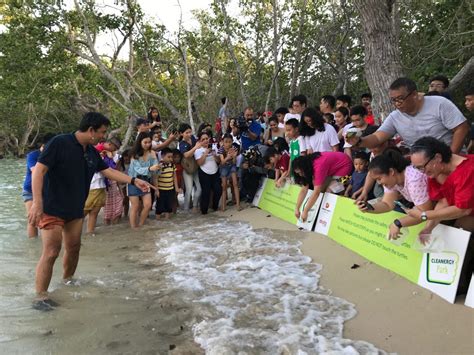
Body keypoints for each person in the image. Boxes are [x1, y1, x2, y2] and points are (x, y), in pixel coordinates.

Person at [28, 112, 151, 311]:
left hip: (75, 208)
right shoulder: (59, 143)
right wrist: (36, 203)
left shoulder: (91, 152)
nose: (104, 136)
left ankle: (68, 281)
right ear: (91, 130)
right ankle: (40, 296)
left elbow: (108, 171)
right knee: (51, 251)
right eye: (102, 132)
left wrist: (133, 180)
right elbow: (39, 171)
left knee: (74, 247)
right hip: (52, 206)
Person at [409, 137, 473, 293]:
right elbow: (445, 200)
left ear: (437, 157)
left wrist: (424, 215)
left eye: (422, 167)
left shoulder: (468, 169)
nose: (422, 172)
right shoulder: (437, 171)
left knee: (464, 239)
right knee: (457, 235)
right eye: (417, 169)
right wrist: (428, 227)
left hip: (467, 211)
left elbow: (462, 209)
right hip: (467, 212)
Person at [346, 77, 469, 153]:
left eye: (400, 99)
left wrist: (451, 156)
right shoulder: (395, 117)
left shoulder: (439, 103)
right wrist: (359, 141)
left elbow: (461, 128)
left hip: (452, 158)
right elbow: (377, 138)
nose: (397, 104)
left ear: (414, 94)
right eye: (393, 100)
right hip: (423, 166)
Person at [355, 149, 433, 240]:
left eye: (379, 178)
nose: (379, 183)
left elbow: (425, 213)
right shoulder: (392, 181)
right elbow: (387, 204)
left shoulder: (413, 180)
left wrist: (398, 223)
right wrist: (369, 207)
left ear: (391, 172)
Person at [292, 151, 353, 222]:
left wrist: (305, 211)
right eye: (298, 173)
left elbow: (316, 192)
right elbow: (303, 189)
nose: (300, 175)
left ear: (305, 168)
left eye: (300, 172)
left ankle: (327, 217)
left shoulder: (318, 167)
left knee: (328, 191)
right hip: (334, 167)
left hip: (346, 168)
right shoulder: (309, 165)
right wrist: (297, 208)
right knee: (321, 190)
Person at [22, 133, 55, 238]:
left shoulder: (54, 155)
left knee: (48, 218)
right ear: (44, 145)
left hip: (47, 190)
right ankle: (33, 246)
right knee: (33, 219)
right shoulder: (33, 155)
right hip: (30, 190)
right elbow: (36, 171)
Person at [127, 132, 161, 228]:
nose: (148, 144)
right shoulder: (134, 154)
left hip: (146, 180)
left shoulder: (152, 153)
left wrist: (156, 187)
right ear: (139, 142)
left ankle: (141, 225)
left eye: (149, 142)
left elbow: (155, 172)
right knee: (135, 206)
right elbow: (138, 169)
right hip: (133, 181)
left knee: (148, 205)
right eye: (145, 142)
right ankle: (134, 228)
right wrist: (150, 168)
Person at [194, 131, 222, 214]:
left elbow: (218, 161)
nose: (206, 140)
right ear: (200, 141)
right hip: (204, 172)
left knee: (218, 190)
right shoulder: (198, 150)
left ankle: (215, 207)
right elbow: (199, 163)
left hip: (215, 171)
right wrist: (205, 154)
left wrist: (214, 154)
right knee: (206, 192)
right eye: (203, 139)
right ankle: (204, 211)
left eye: (207, 138)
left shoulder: (214, 147)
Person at [178, 123, 202, 212]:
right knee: (188, 190)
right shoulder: (181, 143)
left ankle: (195, 206)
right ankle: (186, 209)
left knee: (199, 188)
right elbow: (186, 155)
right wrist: (195, 147)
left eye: (190, 132)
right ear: (181, 134)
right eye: (186, 133)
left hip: (195, 167)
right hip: (187, 169)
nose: (189, 134)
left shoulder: (193, 139)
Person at [155, 148, 181, 220]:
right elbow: (156, 178)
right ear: (162, 156)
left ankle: (167, 221)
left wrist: (176, 188)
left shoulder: (172, 165)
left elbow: (174, 176)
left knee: (168, 207)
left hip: (170, 189)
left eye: (171, 157)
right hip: (161, 190)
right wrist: (156, 190)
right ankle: (158, 221)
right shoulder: (159, 166)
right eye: (168, 157)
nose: (170, 159)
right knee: (159, 207)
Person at [218, 134, 240, 211]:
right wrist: (227, 157)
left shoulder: (234, 148)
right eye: (226, 142)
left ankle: (238, 205)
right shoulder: (221, 149)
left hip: (232, 166)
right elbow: (222, 162)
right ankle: (223, 206)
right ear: (223, 142)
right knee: (224, 187)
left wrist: (234, 156)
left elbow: (234, 162)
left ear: (232, 142)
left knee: (235, 184)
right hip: (223, 167)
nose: (228, 144)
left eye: (230, 142)